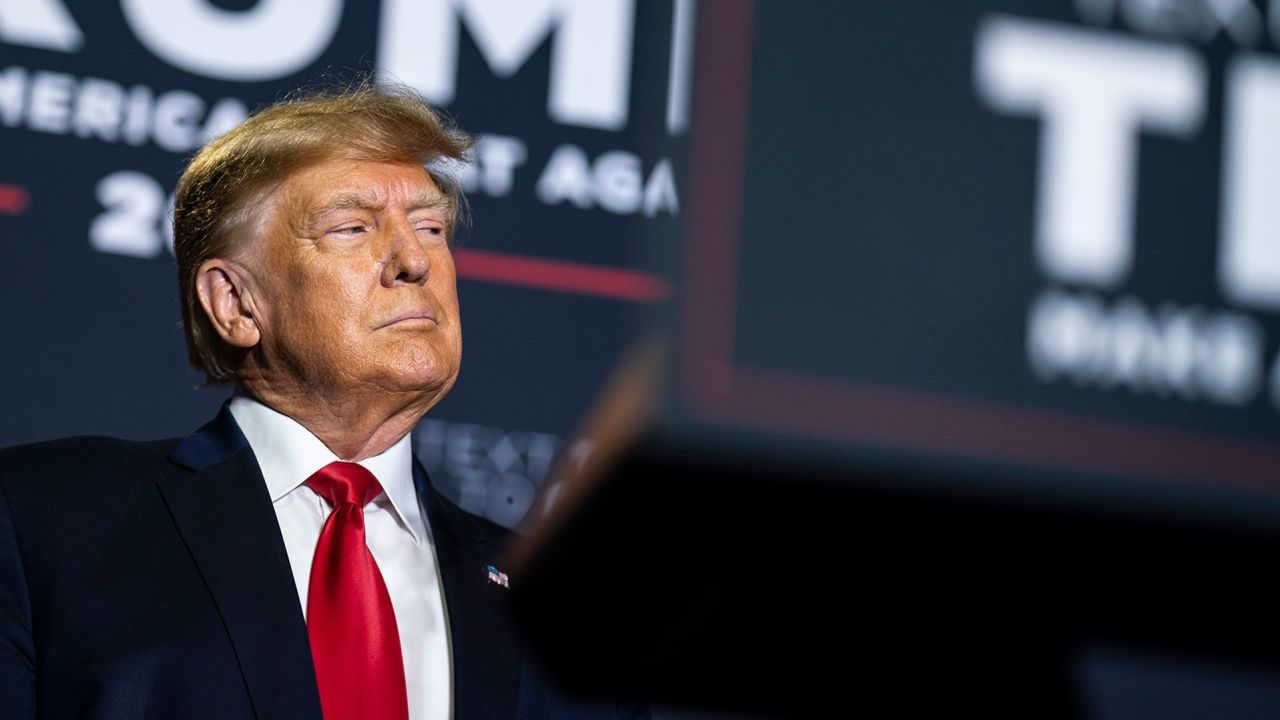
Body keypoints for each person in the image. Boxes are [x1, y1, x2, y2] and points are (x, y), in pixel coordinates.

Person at [0, 84, 645, 720]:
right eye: (352, 227)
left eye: (430, 227)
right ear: (236, 303)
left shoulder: (564, 613)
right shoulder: (41, 522)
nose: (413, 261)